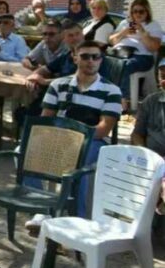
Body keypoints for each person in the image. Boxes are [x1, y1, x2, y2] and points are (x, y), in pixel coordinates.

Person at [38, 40, 121, 219]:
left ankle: (77, 218)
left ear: (101, 60)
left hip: (94, 141)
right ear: (75, 58)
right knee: (23, 151)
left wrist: (75, 140)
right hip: (59, 137)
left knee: (81, 162)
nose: (91, 61)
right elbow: (46, 120)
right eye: (85, 56)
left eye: (95, 57)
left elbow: (104, 129)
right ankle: (42, 208)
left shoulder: (112, 91)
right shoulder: (58, 85)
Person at [108, 0, 163, 110]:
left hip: (143, 57)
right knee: (102, 62)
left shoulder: (153, 25)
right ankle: (106, 96)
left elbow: (153, 47)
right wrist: (123, 33)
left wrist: (142, 31)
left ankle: (123, 101)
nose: (137, 14)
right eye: (134, 11)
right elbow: (112, 41)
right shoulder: (124, 23)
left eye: (141, 11)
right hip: (119, 54)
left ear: (147, 12)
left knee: (125, 65)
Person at [132, 59, 165, 158]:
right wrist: (143, 154)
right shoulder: (151, 101)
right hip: (151, 159)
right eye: (162, 76)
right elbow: (137, 134)